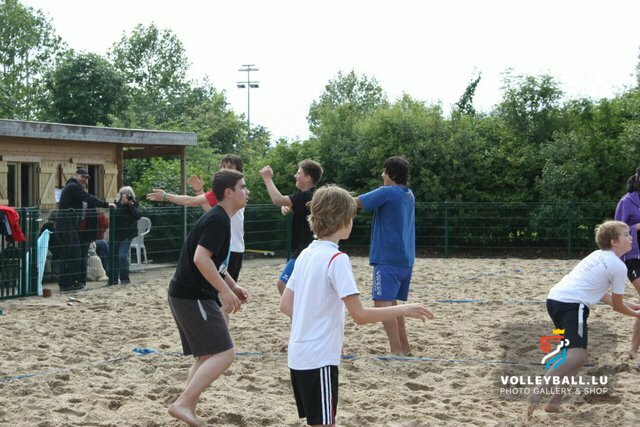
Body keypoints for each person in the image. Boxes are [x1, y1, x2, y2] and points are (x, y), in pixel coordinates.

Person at [280, 185, 433, 426]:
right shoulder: (337, 259)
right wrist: (404, 309)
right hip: (319, 357)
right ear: (343, 220)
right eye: (351, 217)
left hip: (298, 355)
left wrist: (320, 329)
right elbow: (360, 315)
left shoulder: (306, 254)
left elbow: (286, 305)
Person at [527, 220, 640, 417]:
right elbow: (618, 306)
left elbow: (603, 295)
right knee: (577, 355)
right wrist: (637, 314)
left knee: (578, 358)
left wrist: (634, 306)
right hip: (572, 305)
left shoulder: (597, 255)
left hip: (555, 300)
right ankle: (538, 391)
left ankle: (554, 403)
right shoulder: (618, 266)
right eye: (626, 235)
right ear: (614, 241)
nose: (631, 238)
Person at [167, 169, 250, 426]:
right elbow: (200, 259)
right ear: (229, 192)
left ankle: (187, 407)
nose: (247, 192)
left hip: (186, 295)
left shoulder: (220, 218)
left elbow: (214, 262)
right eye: (243, 187)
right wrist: (224, 291)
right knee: (225, 353)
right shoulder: (218, 220)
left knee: (206, 356)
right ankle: (182, 403)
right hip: (193, 296)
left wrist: (232, 285)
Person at [146, 155, 246, 282]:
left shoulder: (230, 192)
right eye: (223, 166)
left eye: (229, 167)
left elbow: (191, 201)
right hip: (230, 247)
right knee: (222, 288)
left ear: (238, 171)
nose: (224, 169)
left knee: (223, 288)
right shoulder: (231, 191)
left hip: (232, 248)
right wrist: (199, 191)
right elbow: (210, 210)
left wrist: (166, 196)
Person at [354, 156, 416, 356]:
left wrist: (323, 199)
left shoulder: (387, 192)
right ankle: (404, 348)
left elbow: (356, 202)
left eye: (384, 171)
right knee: (392, 305)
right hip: (405, 260)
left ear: (392, 174)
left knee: (382, 305)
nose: (382, 175)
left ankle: (396, 351)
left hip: (387, 260)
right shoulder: (409, 194)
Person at [260, 159, 323, 295]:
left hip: (304, 249)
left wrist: (267, 179)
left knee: (282, 284)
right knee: (300, 287)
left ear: (308, 178)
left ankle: (295, 310)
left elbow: (278, 199)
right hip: (307, 249)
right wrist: (289, 207)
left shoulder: (307, 195)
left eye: (298, 173)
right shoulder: (310, 195)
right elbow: (291, 204)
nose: (295, 175)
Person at [56, 168, 115, 291]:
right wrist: (106, 204)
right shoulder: (73, 187)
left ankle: (69, 283)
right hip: (68, 225)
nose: (84, 180)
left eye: (86, 178)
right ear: (76, 175)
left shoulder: (71, 187)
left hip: (70, 226)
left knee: (70, 254)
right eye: (82, 177)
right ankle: (69, 283)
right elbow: (88, 197)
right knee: (73, 255)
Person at [614, 168, 640, 359]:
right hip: (633, 258)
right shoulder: (626, 202)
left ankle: (633, 350)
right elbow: (615, 230)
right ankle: (633, 350)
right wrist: (635, 227)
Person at [113, 186, 142, 285]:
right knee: (114, 256)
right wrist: (122, 204)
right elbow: (115, 216)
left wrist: (131, 205)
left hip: (128, 234)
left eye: (129, 194)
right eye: (125, 194)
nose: (127, 196)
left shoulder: (134, 203)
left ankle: (125, 279)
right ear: (121, 195)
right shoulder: (116, 204)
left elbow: (138, 215)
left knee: (122, 255)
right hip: (116, 233)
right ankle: (113, 279)